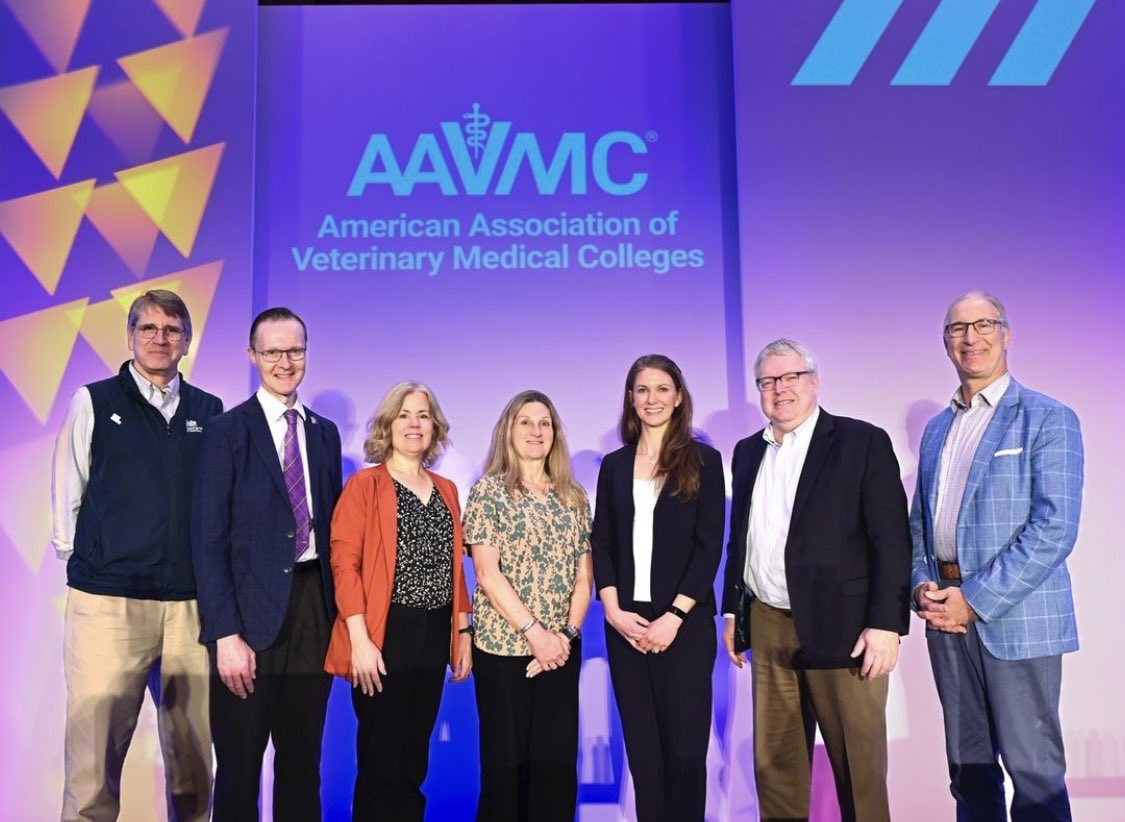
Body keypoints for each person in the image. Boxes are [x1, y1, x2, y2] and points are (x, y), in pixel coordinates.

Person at [721, 337, 911, 822]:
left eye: (790, 378)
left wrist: (887, 624)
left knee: (858, 769)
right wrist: (733, 611)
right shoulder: (746, 453)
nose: (779, 390)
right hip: (767, 622)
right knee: (776, 766)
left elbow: (891, 539)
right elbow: (739, 538)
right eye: (767, 381)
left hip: (844, 628)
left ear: (814, 382)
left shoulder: (860, 441)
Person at [51, 289, 222, 822]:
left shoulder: (209, 411)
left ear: (187, 342)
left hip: (190, 609)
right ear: (130, 337)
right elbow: (67, 491)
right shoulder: (94, 400)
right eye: (148, 329)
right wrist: (91, 562)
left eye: (171, 330)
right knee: (93, 761)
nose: (159, 339)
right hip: (109, 604)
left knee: (194, 764)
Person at [911, 291, 1083, 821]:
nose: (971, 337)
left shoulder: (1048, 417)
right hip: (946, 621)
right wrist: (921, 583)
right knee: (969, 773)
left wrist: (976, 600)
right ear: (945, 343)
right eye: (958, 329)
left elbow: (1054, 528)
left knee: (1034, 775)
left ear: (1007, 333)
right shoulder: (939, 428)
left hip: (1016, 620)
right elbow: (919, 522)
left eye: (983, 324)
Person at [191, 307, 342, 821]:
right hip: (247, 622)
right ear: (252, 354)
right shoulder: (225, 431)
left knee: (303, 764)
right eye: (273, 351)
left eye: (294, 350)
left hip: (313, 615)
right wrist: (225, 633)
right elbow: (207, 542)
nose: (285, 361)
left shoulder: (324, 433)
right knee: (239, 767)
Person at [324, 381, 472, 821]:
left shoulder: (446, 488)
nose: (414, 423)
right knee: (381, 759)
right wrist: (361, 640)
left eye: (423, 415)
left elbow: (455, 568)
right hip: (383, 635)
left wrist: (462, 631)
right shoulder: (365, 485)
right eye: (404, 415)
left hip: (432, 635)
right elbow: (343, 564)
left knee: (413, 761)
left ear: (434, 427)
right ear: (388, 425)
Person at [590, 354, 725, 822]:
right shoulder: (613, 465)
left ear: (679, 397)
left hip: (683, 627)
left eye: (662, 389)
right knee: (645, 760)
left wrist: (675, 617)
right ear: (631, 398)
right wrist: (612, 610)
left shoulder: (704, 460)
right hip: (625, 626)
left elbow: (709, 547)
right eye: (643, 390)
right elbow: (601, 541)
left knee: (686, 758)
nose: (652, 399)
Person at [464, 390, 594, 821]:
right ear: (508, 430)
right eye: (526, 422)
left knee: (555, 772)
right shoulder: (488, 492)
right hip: (504, 653)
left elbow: (584, 579)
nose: (536, 431)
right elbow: (486, 573)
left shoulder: (573, 496)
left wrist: (564, 638)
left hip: (560, 653)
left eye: (544, 423)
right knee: (506, 773)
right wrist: (536, 635)